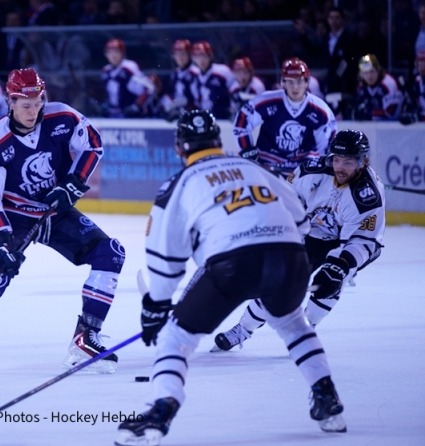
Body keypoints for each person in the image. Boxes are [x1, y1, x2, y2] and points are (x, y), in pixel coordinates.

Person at [114, 110, 346, 446]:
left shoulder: (179, 183)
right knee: (293, 323)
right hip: (290, 257)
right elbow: (299, 216)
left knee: (174, 337)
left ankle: (160, 412)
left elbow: (164, 254)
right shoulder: (255, 168)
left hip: (232, 263)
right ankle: (328, 399)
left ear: (180, 147)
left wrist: (156, 306)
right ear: (218, 142)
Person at [0, 68, 125, 374]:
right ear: (10, 101)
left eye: (37, 102)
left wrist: (73, 184)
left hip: (53, 211)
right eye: (25, 105)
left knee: (110, 253)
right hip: (13, 217)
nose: (33, 110)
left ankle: (85, 336)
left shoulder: (62, 118)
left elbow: (93, 144)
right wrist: (1, 235)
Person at [214, 129, 385, 351]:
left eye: (348, 162)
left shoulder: (368, 196)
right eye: (337, 160)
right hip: (310, 233)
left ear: (363, 162)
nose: (340, 167)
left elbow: (363, 241)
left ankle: (305, 331)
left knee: (331, 283)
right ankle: (243, 329)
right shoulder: (309, 172)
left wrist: (341, 266)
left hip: (346, 242)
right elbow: (286, 202)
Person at [233, 58, 336, 177]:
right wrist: (247, 150)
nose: (295, 87)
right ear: (283, 82)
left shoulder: (321, 110)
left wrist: (322, 171)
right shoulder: (267, 101)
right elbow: (242, 121)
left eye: (299, 81)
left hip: (303, 173)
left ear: (307, 82)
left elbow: (328, 144)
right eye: (290, 82)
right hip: (268, 170)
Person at [101, 38, 154, 118]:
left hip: (129, 116)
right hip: (112, 115)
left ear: (122, 53)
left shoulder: (129, 67)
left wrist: (136, 106)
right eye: (110, 52)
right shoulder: (106, 71)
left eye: (116, 51)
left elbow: (149, 88)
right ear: (106, 54)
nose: (113, 55)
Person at [189, 41, 235, 120]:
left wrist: (232, 109)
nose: (201, 60)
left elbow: (235, 90)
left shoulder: (223, 71)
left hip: (224, 118)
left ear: (210, 56)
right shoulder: (193, 75)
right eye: (198, 57)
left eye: (204, 56)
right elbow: (196, 100)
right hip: (205, 118)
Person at [354, 54, 404, 121]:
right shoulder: (362, 86)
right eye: (365, 73)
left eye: (372, 71)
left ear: (378, 70)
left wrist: (368, 112)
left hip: (396, 124)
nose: (369, 76)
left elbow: (390, 112)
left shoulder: (389, 83)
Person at [166, 39, 198, 119]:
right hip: (179, 113)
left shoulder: (195, 73)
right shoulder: (176, 73)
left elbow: (198, 99)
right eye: (177, 54)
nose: (180, 57)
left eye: (183, 54)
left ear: (189, 55)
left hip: (193, 115)